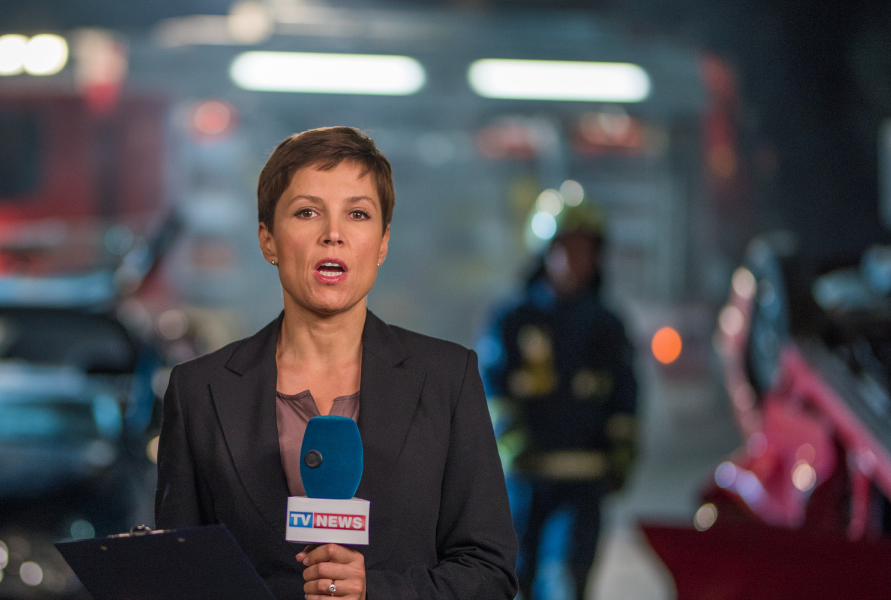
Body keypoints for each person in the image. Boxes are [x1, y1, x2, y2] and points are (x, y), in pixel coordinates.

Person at [154, 126, 518, 600]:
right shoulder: (199, 391)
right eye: (307, 212)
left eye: (358, 214)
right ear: (268, 240)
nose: (333, 234)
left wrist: (374, 592)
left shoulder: (447, 379)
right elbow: (176, 576)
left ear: (382, 242)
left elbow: (490, 573)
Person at [479, 203, 638, 600]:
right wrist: (511, 439)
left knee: (569, 580)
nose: (574, 260)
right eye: (565, 249)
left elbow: (625, 394)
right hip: (524, 481)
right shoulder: (513, 320)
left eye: (584, 250)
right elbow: (493, 387)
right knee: (515, 580)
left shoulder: (607, 326)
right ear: (545, 253)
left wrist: (622, 448)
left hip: (584, 481)